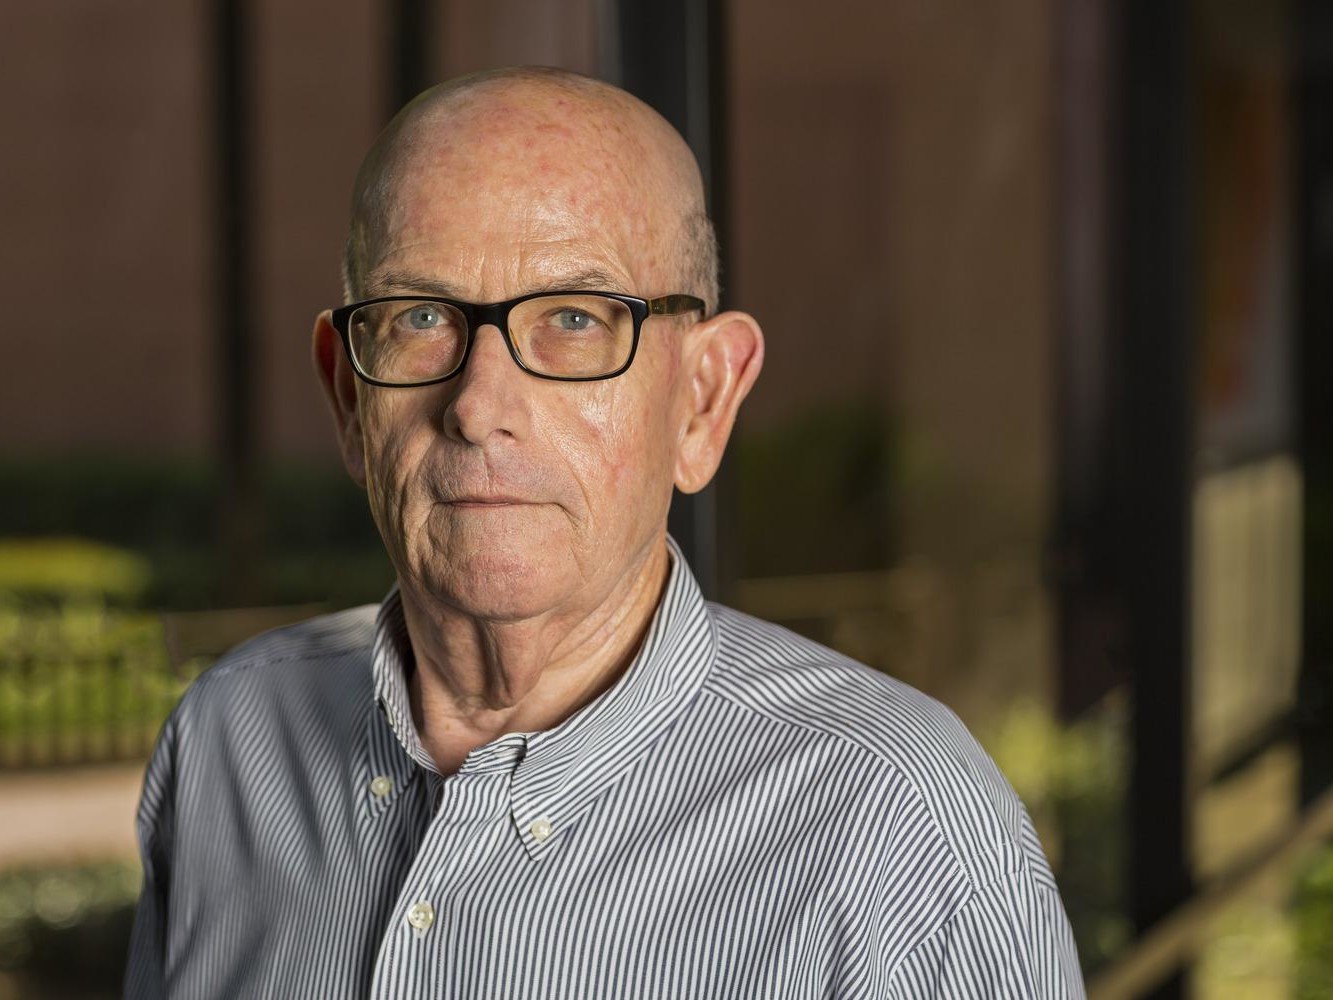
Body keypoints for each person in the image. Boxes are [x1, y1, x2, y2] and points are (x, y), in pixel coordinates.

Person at [124, 66, 1085, 998]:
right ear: (347, 395)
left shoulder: (898, 827)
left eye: (576, 319)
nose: (479, 408)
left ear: (702, 401)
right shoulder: (227, 743)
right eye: (419, 316)